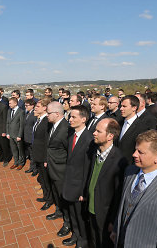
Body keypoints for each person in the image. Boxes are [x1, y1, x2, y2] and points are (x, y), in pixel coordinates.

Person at [111, 130, 157, 248]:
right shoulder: (129, 172)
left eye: (140, 152)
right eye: (135, 150)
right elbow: (122, 206)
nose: (134, 154)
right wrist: (116, 229)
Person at [86, 118, 127, 248]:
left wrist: (112, 220)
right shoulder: (95, 152)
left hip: (104, 215)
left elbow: (118, 194)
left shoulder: (120, 161)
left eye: (98, 131)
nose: (94, 133)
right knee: (92, 238)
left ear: (110, 136)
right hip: (91, 207)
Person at [62, 105, 93, 247]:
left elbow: (88, 169)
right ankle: (75, 234)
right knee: (72, 213)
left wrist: (83, 191)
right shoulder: (71, 135)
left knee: (80, 216)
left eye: (74, 117)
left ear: (84, 119)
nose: (70, 119)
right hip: (69, 182)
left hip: (79, 186)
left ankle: (83, 240)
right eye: (70, 116)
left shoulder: (89, 140)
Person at [45, 102, 72, 238]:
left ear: (57, 114)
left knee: (63, 196)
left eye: (48, 113)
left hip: (61, 170)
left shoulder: (66, 129)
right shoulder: (54, 125)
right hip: (52, 166)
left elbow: (70, 152)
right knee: (56, 193)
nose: (46, 114)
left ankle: (67, 222)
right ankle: (59, 211)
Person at [117, 95, 155, 164]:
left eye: (124, 106)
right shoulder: (119, 123)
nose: (121, 109)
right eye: (121, 106)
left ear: (134, 108)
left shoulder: (142, 128)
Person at [32, 98, 53, 211]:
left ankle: (49, 199)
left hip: (43, 155)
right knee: (43, 179)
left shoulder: (46, 122)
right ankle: (46, 196)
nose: (35, 108)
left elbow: (46, 142)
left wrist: (45, 158)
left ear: (45, 108)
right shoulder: (39, 120)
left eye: (38, 106)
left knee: (46, 179)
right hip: (38, 154)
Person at [6, 97, 25, 169]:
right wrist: (7, 133)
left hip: (17, 135)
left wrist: (19, 135)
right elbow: (7, 123)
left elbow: (21, 125)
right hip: (10, 135)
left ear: (15, 103)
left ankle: (21, 163)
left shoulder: (21, 111)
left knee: (20, 150)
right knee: (14, 150)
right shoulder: (9, 111)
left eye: (10, 103)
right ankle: (15, 162)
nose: (9, 105)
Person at [23, 99, 38, 175]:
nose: (25, 107)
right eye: (25, 105)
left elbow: (35, 127)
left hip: (32, 138)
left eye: (27, 105)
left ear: (32, 105)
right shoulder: (27, 113)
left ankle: (35, 169)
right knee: (31, 155)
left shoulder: (34, 114)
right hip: (27, 138)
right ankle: (31, 168)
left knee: (33, 155)